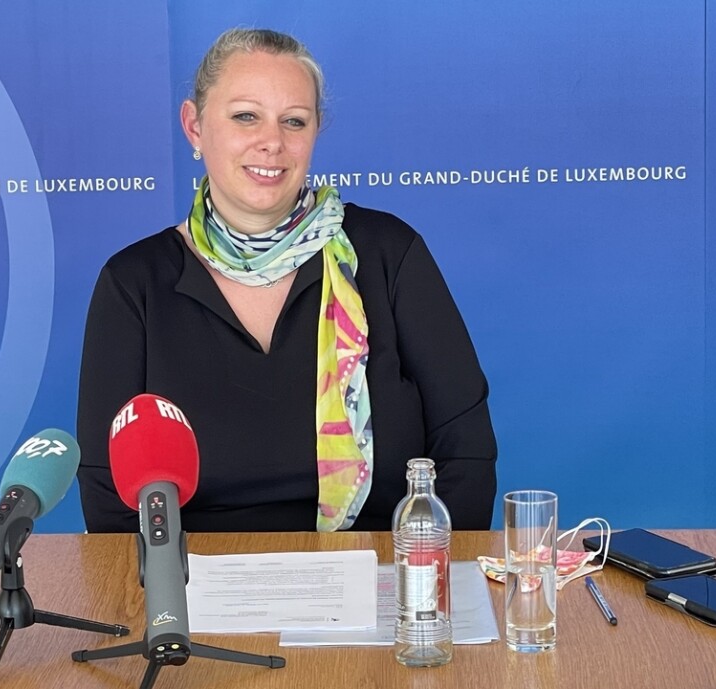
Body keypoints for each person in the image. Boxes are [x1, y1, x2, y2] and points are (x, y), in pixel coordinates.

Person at [77, 28, 496, 533]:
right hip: (195, 578)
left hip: (380, 569)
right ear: (194, 127)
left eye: (293, 121)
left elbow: (465, 451)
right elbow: (110, 497)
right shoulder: (133, 283)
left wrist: (425, 569)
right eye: (245, 116)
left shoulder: (389, 254)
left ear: (315, 131)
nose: (272, 142)